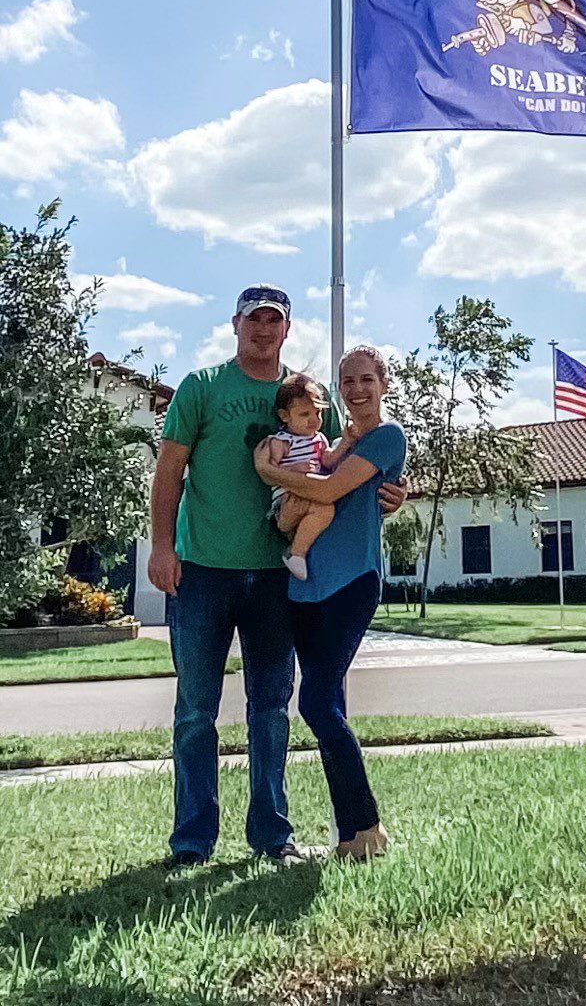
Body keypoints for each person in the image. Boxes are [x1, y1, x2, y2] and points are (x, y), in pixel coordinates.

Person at [147, 286, 406, 869]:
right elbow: (169, 472)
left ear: (286, 330)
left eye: (275, 320)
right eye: (254, 319)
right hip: (202, 570)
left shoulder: (312, 397)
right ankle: (191, 841)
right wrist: (163, 546)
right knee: (195, 710)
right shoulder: (202, 387)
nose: (264, 329)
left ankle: (271, 836)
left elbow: (345, 468)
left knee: (270, 706)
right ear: (236, 323)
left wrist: (390, 493)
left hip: (276, 579)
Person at [256, 344, 406, 862]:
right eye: (348, 382)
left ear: (383, 385)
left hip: (352, 583)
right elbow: (286, 517)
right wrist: (287, 504)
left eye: (367, 380)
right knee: (329, 705)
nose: (358, 390)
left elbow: (330, 490)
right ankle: (352, 838)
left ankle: (367, 825)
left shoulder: (387, 438)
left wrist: (272, 475)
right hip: (303, 587)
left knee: (316, 702)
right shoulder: (330, 445)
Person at [261, 372, 355, 582]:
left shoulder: (319, 439)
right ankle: (297, 554)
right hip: (285, 499)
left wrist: (346, 443)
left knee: (325, 510)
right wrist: (295, 469)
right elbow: (270, 472)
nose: (314, 420)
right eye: (305, 414)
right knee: (324, 509)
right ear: (285, 416)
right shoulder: (281, 441)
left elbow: (328, 461)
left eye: (317, 413)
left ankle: (296, 551)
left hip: (312, 496)